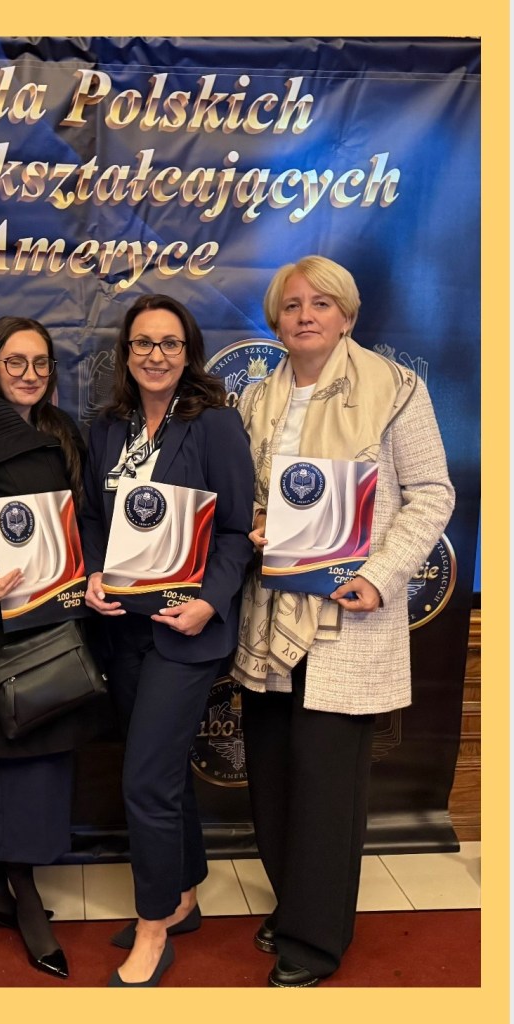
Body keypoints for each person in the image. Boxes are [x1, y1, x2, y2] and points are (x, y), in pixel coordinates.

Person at [231, 255, 455, 987]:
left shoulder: (397, 389)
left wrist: (380, 576)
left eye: (321, 303)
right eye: (292, 304)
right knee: (273, 777)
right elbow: (249, 494)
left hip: (346, 619)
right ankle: (295, 902)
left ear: (348, 315)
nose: (305, 315)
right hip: (269, 616)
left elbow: (433, 493)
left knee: (327, 785)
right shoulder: (255, 399)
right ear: (276, 319)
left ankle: (315, 940)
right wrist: (254, 520)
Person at [81, 293, 255, 987]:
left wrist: (210, 603)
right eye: (143, 343)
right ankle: (182, 894)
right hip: (122, 630)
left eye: (170, 343)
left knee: (146, 781)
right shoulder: (108, 427)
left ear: (189, 353)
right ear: (126, 353)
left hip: (185, 633)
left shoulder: (214, 424)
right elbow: (92, 516)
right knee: (162, 770)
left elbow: (237, 530)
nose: (156, 355)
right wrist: (94, 570)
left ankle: (153, 928)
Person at [0, 315, 100, 981]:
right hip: (0, 626)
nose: (30, 374)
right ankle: (22, 893)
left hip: (61, 618)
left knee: (41, 758)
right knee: (23, 758)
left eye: (41, 363)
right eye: (15, 362)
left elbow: (84, 521)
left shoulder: (61, 431)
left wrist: (95, 574)